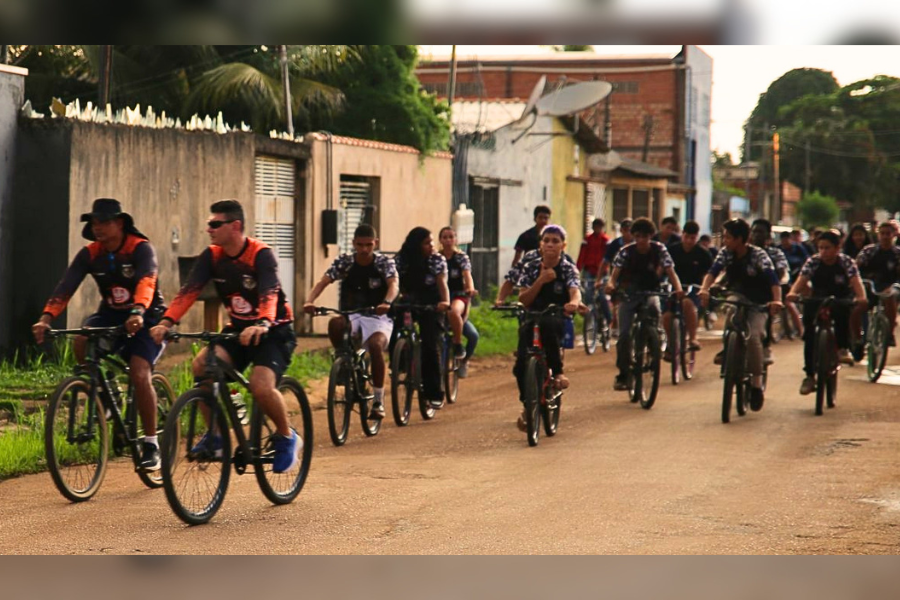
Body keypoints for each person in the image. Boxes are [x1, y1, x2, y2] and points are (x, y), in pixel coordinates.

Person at [149, 200, 300, 474]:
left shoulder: (260, 255)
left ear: (235, 226)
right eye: (208, 223)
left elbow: (269, 293)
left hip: (275, 330)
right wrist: (166, 321)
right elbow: (188, 292)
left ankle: (287, 436)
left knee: (261, 386)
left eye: (215, 224)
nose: (209, 229)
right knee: (202, 366)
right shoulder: (212, 256)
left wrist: (263, 322)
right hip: (238, 330)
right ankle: (217, 436)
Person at [33, 198, 167, 472]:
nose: (98, 228)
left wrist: (139, 311)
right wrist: (46, 318)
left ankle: (151, 443)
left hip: (147, 316)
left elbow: (147, 282)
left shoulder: (140, 249)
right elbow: (65, 287)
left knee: (140, 373)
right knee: (81, 340)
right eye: (94, 223)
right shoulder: (90, 254)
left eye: (104, 222)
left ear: (120, 223)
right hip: (111, 313)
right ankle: (107, 396)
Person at [303, 224, 398, 420]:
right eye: (360, 245)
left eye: (369, 245)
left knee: (375, 345)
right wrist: (310, 301)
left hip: (378, 317)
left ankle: (378, 400)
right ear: (354, 243)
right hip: (353, 314)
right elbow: (324, 281)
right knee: (335, 324)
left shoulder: (383, 263)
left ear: (375, 243)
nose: (364, 249)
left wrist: (387, 302)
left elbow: (393, 284)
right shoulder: (345, 261)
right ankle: (344, 363)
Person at [699, 219, 784, 412]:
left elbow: (773, 280)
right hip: (737, 295)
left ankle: (755, 384)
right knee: (730, 310)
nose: (725, 240)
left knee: (754, 337)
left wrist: (776, 300)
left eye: (728, 237)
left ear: (740, 239)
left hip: (759, 302)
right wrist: (705, 289)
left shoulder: (759, 255)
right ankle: (728, 347)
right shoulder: (725, 253)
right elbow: (712, 272)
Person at [512, 224, 585, 430]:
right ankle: (528, 405)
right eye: (546, 241)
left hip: (556, 316)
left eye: (555, 241)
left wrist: (574, 303)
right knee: (520, 366)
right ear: (540, 245)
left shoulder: (568, 268)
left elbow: (575, 291)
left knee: (548, 325)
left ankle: (558, 373)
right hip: (531, 315)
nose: (550, 245)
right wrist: (541, 281)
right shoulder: (531, 267)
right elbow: (524, 299)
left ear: (563, 245)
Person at [606, 217, 684, 391]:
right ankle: (624, 374)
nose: (641, 240)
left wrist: (678, 289)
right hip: (629, 293)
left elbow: (671, 271)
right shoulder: (626, 251)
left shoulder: (659, 250)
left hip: (650, 291)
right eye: (638, 236)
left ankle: (653, 344)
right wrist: (611, 285)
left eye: (645, 236)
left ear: (651, 236)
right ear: (633, 236)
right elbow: (614, 274)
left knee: (655, 312)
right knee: (624, 334)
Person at [786, 230, 866, 395]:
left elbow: (856, 282)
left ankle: (843, 347)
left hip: (840, 297)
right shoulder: (813, 262)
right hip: (818, 297)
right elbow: (801, 280)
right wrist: (793, 293)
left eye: (827, 248)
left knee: (843, 314)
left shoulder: (846, 262)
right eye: (820, 248)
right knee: (809, 334)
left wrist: (861, 297)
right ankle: (809, 376)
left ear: (837, 248)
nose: (823, 252)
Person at [393, 227, 451, 409]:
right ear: (416, 245)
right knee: (392, 328)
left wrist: (445, 302)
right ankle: (399, 363)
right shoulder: (402, 259)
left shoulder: (436, 260)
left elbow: (442, 283)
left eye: (432, 242)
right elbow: (394, 281)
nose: (432, 246)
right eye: (427, 242)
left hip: (431, 304)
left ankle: (433, 392)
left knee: (430, 345)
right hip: (408, 300)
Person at [662, 220, 712, 354]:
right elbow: (662, 269)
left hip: (694, 289)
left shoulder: (703, 254)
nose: (689, 241)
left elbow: (709, 274)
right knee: (666, 316)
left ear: (697, 237)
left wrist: (705, 289)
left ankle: (693, 338)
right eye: (687, 237)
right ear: (682, 234)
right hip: (674, 288)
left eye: (693, 238)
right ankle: (670, 342)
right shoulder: (672, 250)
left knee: (687, 303)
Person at [438, 226, 479, 378]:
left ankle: (460, 350)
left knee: (473, 335)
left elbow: (467, 275)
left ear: (455, 239)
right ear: (440, 240)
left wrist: (470, 288)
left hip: (458, 297)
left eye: (451, 237)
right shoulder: (436, 257)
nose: (448, 240)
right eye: (444, 237)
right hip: (440, 299)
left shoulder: (461, 257)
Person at [853, 221, 900, 348]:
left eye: (888, 233)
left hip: (890, 286)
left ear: (893, 235)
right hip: (869, 286)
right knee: (856, 309)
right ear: (878, 235)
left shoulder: (897, 254)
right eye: (882, 233)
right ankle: (856, 339)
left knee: (890, 298)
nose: (885, 236)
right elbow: (855, 268)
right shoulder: (869, 251)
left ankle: (889, 333)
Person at [752, 218, 802, 337]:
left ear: (768, 235)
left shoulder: (776, 253)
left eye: (760, 232)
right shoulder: (743, 252)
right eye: (754, 232)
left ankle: (800, 330)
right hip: (748, 291)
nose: (756, 235)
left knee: (788, 304)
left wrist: (782, 282)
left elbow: (784, 272)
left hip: (771, 291)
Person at [599, 218, 634, 336]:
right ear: (621, 230)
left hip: (634, 278)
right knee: (616, 301)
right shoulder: (615, 245)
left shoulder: (638, 244)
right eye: (625, 230)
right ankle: (614, 321)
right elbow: (605, 262)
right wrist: (599, 279)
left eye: (630, 230)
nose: (628, 233)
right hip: (618, 277)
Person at [577, 218, 612, 327]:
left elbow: (610, 257)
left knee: (602, 296)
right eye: (596, 227)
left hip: (602, 273)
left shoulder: (606, 240)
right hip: (589, 271)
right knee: (588, 296)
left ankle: (608, 319)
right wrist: (577, 270)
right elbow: (581, 256)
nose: (598, 229)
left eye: (600, 227)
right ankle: (592, 319)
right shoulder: (587, 239)